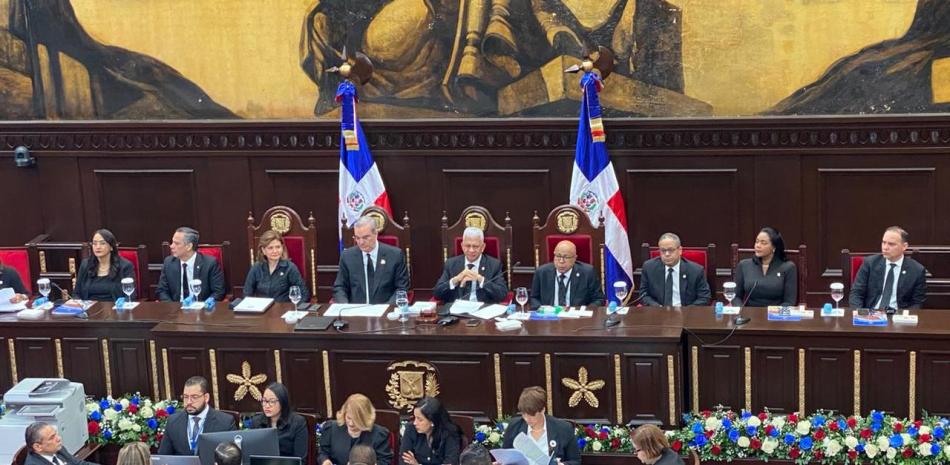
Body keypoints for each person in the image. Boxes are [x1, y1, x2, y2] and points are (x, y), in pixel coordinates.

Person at [333, 217, 410, 304]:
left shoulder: (395, 255)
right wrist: (345, 306)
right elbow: (340, 287)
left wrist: (386, 308)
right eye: (357, 238)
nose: (361, 242)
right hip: (356, 310)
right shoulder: (347, 256)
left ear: (376, 234)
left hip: (385, 310)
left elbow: (401, 288)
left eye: (365, 237)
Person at [849, 226, 927, 310]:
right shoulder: (870, 263)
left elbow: (917, 302)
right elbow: (856, 293)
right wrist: (860, 313)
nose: (885, 247)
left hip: (899, 314)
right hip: (871, 313)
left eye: (891, 244)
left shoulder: (917, 270)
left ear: (904, 246)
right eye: (883, 242)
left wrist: (904, 315)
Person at [157, 376, 237, 455]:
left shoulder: (225, 422)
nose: (189, 402)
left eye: (194, 397)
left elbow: (233, 457)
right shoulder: (173, 422)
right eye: (185, 397)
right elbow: (164, 456)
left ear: (206, 397)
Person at [501, 387, 580, 465]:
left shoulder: (563, 428)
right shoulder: (514, 426)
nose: (527, 419)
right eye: (524, 414)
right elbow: (506, 457)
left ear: (542, 410)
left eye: (532, 415)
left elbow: (575, 461)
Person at [432, 227, 507, 304]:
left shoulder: (494, 265)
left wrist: (480, 279)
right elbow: (437, 293)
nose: (471, 250)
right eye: (468, 246)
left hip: (482, 308)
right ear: (462, 246)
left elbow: (502, 294)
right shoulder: (451, 264)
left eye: (475, 246)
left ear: (483, 247)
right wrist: (455, 280)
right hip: (456, 308)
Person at [638, 233, 711, 307]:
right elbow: (643, 294)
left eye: (671, 250)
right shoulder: (649, 267)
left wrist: (685, 311)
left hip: (686, 312)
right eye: (663, 250)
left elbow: (704, 298)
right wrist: (658, 308)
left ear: (680, 250)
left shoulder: (696, 271)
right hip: (658, 311)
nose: (667, 254)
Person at [318, 393, 392, 465]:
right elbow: (322, 452)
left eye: (356, 420)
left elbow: (384, 461)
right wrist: (325, 461)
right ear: (344, 413)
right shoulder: (331, 428)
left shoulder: (379, 435)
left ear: (365, 418)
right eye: (348, 418)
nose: (351, 423)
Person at [156, 227, 226, 302]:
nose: (171, 246)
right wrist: (172, 307)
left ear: (189, 246)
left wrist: (204, 305)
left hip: (201, 307)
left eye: (176, 243)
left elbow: (218, 292)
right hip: (175, 307)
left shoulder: (209, 263)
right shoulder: (169, 263)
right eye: (172, 242)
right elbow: (162, 291)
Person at [733, 227, 797, 307]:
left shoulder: (788, 267)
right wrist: (741, 311)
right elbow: (736, 297)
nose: (758, 246)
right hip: (750, 313)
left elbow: (789, 302)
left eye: (763, 243)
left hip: (776, 313)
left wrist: (774, 312)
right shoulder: (744, 265)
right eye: (757, 242)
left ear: (774, 247)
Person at [529, 240, 604, 308]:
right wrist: (542, 310)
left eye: (566, 257)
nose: (561, 261)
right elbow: (533, 298)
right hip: (550, 316)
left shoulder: (587, 273)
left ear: (575, 258)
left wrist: (585, 311)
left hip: (577, 317)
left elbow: (599, 299)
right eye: (558, 256)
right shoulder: (542, 272)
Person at [243, 231, 310, 302]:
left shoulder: (290, 268)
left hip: (284, 307)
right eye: (270, 248)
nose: (275, 251)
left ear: (282, 248)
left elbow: (304, 294)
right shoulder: (257, 267)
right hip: (262, 308)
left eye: (278, 247)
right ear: (263, 250)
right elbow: (247, 293)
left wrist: (294, 307)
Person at [249, 382, 309, 461]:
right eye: (264, 401)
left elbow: (300, 459)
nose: (267, 406)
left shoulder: (298, 423)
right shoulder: (256, 422)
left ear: (283, 402)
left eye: (272, 401)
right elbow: (252, 454)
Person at [74, 229, 136, 301]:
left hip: (115, 307)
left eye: (102, 243)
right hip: (89, 307)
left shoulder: (125, 266)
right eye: (94, 243)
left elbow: (130, 296)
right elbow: (76, 293)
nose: (98, 247)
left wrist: (121, 304)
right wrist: (78, 303)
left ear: (111, 247)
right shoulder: (85, 265)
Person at [399, 397, 461, 465]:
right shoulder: (410, 429)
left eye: (420, 419)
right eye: (415, 417)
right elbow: (404, 461)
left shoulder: (450, 433)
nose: (415, 423)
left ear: (432, 421)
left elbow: (450, 462)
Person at [24, 421, 99, 465]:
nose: (59, 438)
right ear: (38, 447)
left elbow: (79, 464)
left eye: (56, 434)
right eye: (51, 438)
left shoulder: (58, 449)